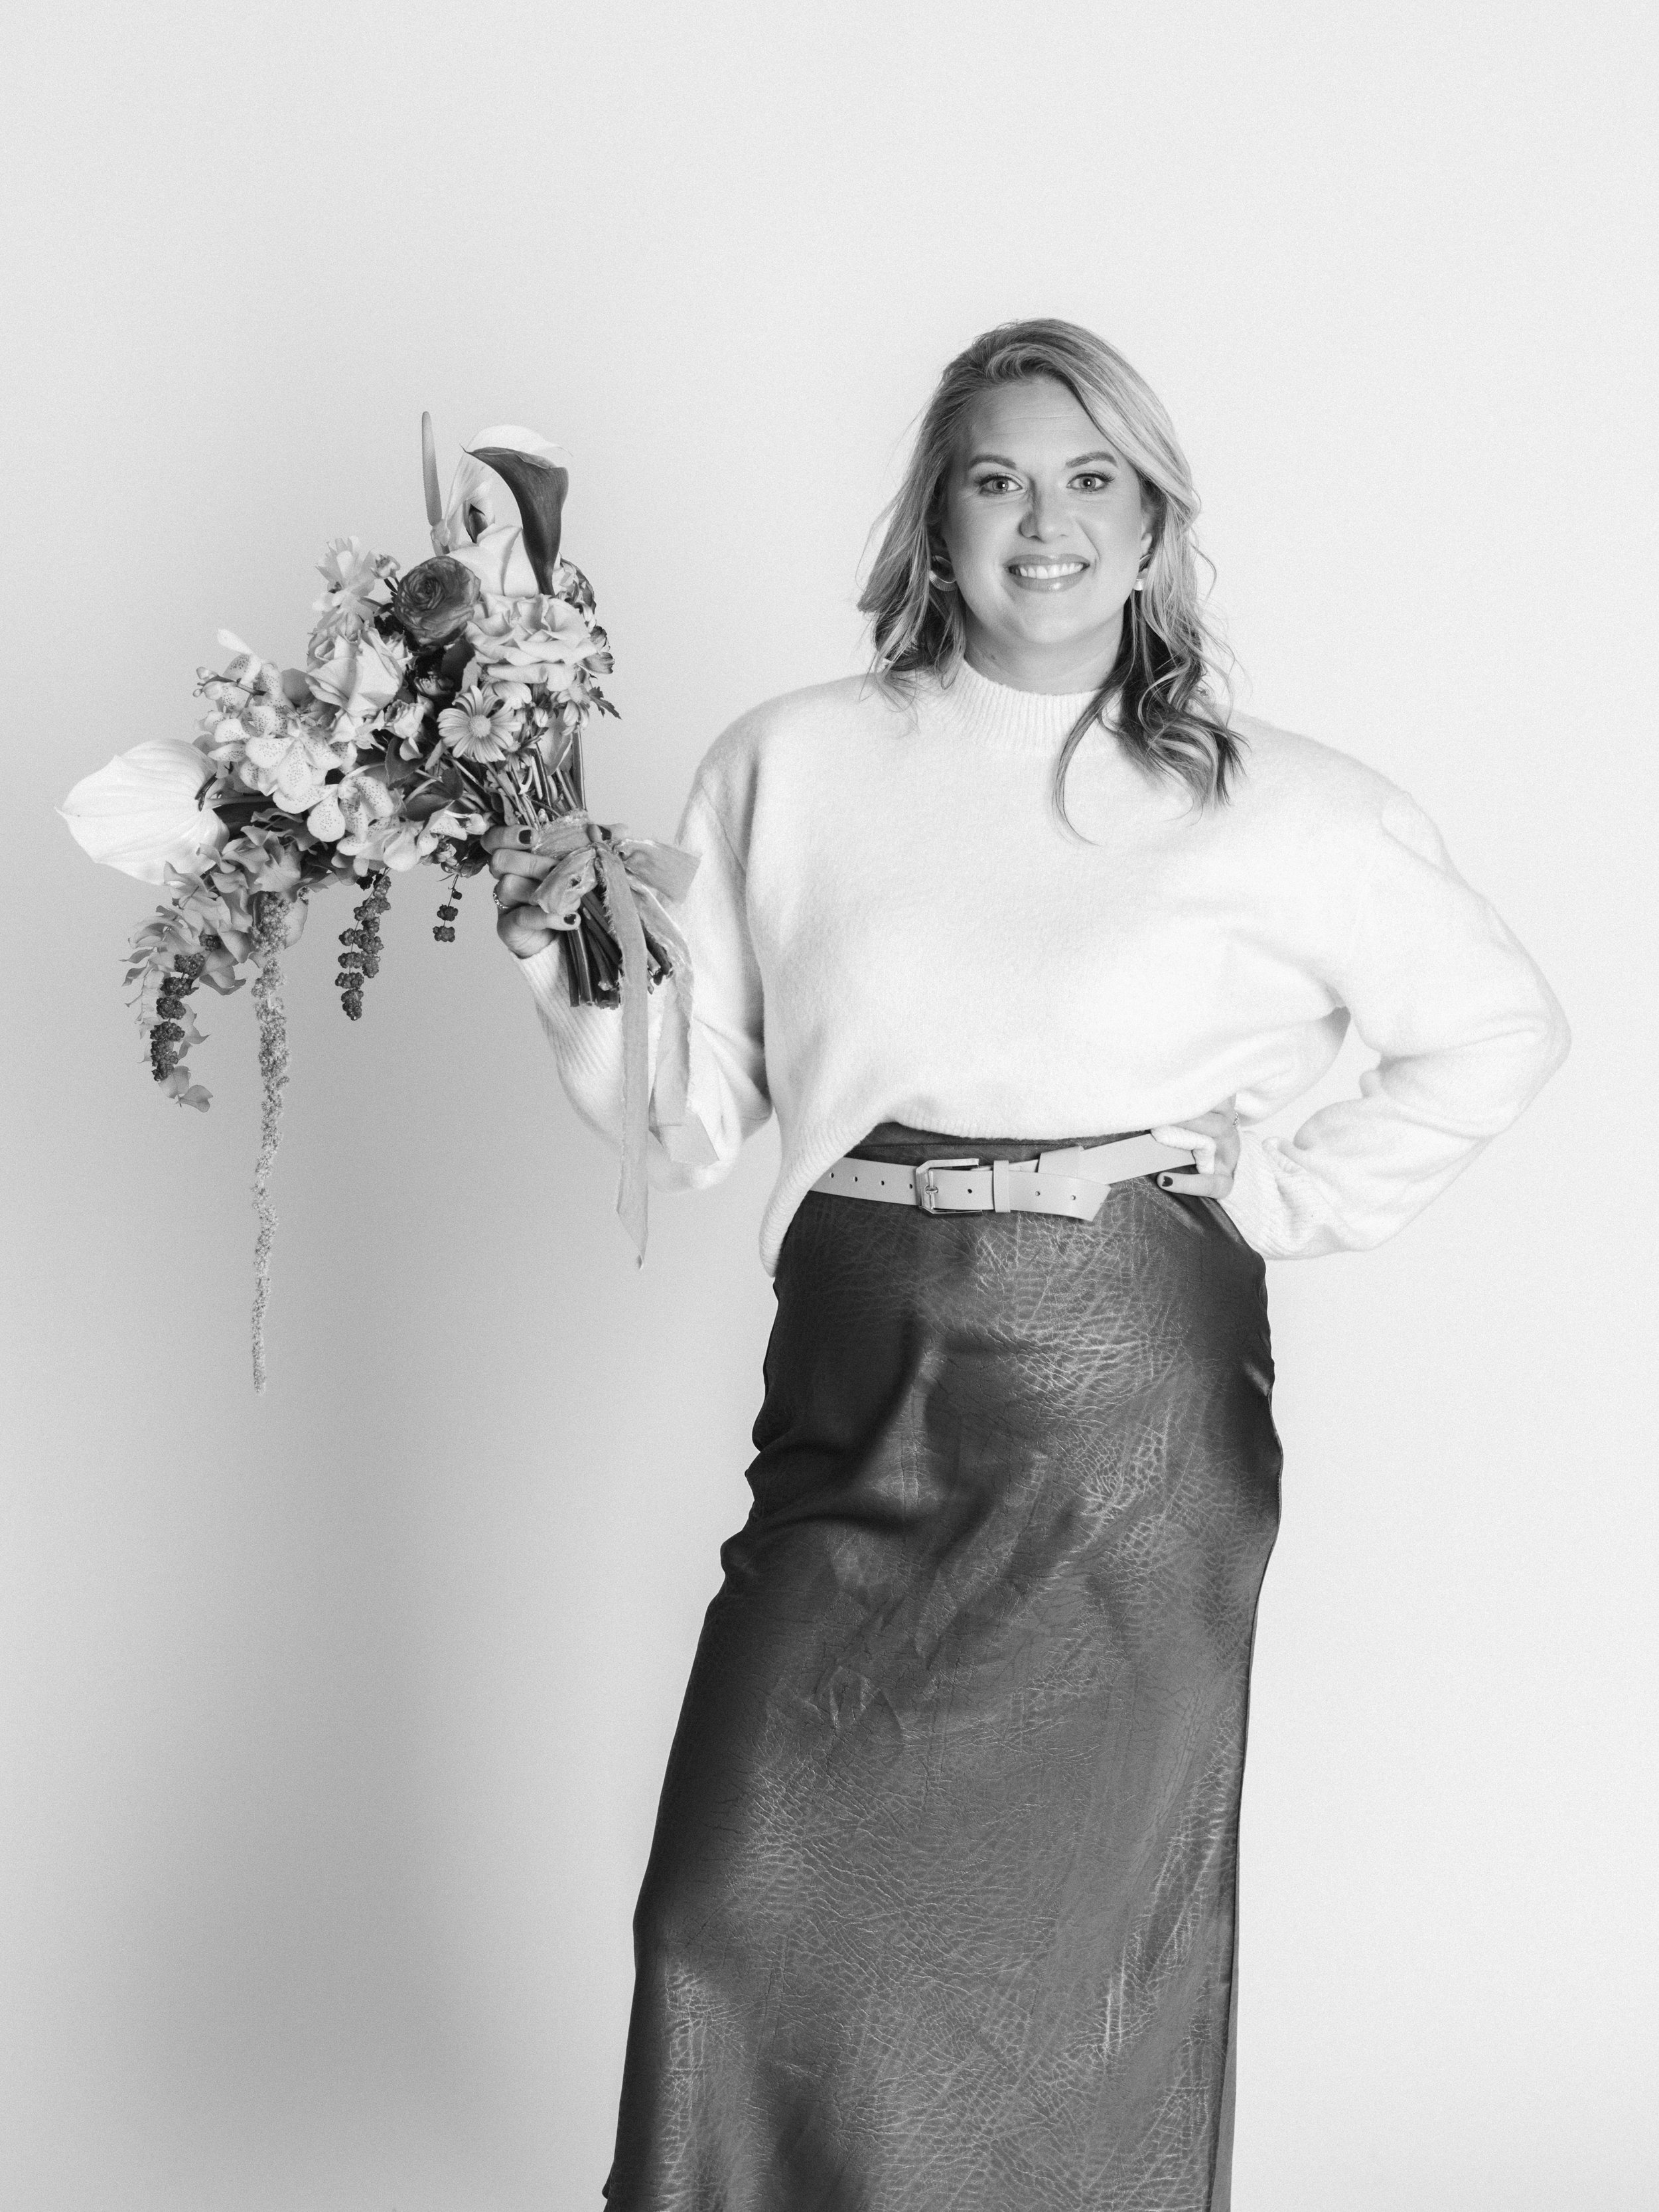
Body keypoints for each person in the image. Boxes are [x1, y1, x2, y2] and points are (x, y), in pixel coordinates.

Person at [486, 319, 1568, 2212]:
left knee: (1075, 1980)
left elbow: (1495, 1027)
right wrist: (559, 952)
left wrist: (1272, 1197)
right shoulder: (792, 764)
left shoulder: (1278, 799)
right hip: (857, 1374)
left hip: (1120, 1407)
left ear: (1156, 531)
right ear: (932, 521)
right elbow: (689, 1115)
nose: (1042, 524)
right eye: (994, 477)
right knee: (724, 1925)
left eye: (1092, 483)